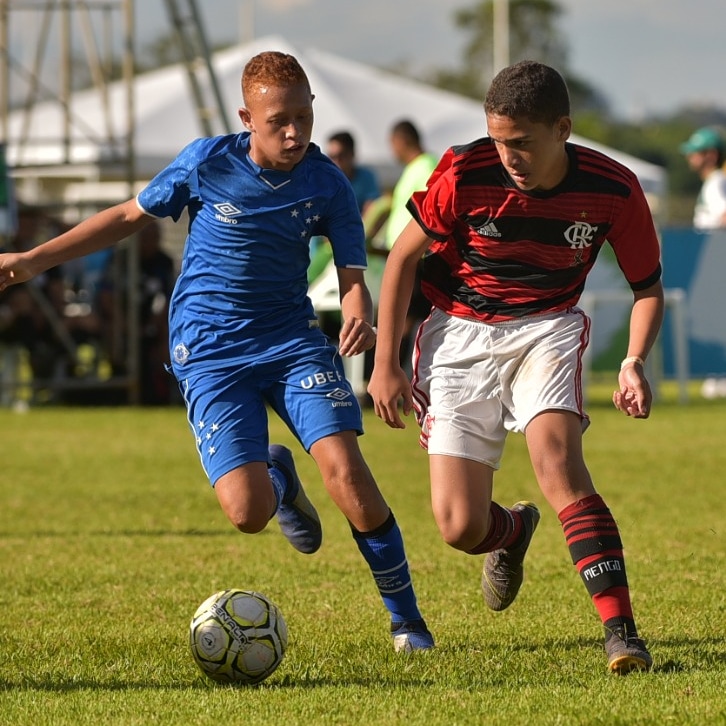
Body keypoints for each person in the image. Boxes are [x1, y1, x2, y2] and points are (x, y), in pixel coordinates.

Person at [0, 51, 433, 653]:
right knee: (247, 513)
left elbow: (354, 275)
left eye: (304, 117)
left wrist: (358, 306)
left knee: (347, 475)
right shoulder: (208, 161)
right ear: (245, 118)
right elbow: (127, 214)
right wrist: (31, 260)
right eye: (278, 120)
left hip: (290, 341)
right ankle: (275, 479)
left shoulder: (326, 180)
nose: (294, 132)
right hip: (208, 351)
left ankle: (406, 621)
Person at [368, 60, 664, 674]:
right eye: (499, 139)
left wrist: (634, 359)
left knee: (559, 464)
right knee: (457, 526)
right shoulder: (465, 171)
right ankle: (511, 531)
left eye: (522, 142)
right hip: (458, 332)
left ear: (563, 128)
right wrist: (386, 364)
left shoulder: (615, 189)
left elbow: (648, 288)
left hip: (547, 325)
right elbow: (400, 260)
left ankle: (622, 632)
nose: (508, 155)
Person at [680, 126, 726, 230]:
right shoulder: (716, 180)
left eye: (695, 152)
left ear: (711, 155)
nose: (689, 156)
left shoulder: (715, 182)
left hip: (713, 244)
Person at [326, 130, 381, 214]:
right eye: (332, 157)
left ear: (352, 154)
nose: (336, 161)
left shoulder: (366, 178)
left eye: (341, 156)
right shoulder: (320, 180)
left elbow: (371, 211)